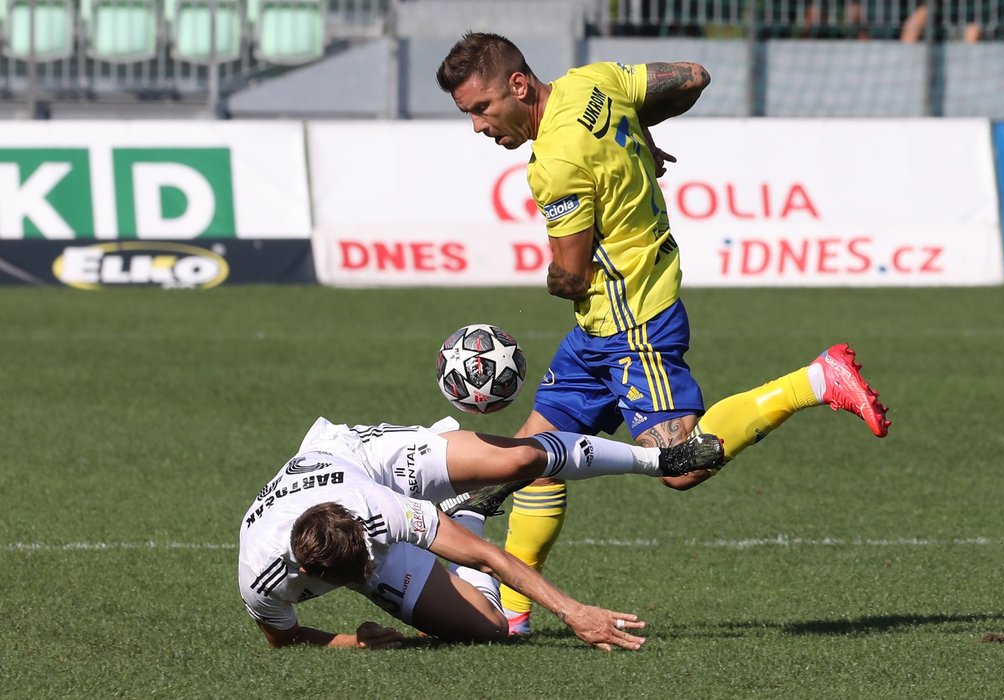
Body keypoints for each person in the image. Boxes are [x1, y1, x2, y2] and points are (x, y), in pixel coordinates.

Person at [436, 32, 890, 635]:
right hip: (598, 331)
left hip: (631, 326)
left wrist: (551, 277)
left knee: (678, 465)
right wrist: (643, 135)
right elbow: (693, 75)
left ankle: (816, 379)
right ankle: (513, 618)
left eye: (481, 108)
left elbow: (571, 276)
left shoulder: (557, 165)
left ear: (518, 86)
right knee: (533, 460)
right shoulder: (590, 81)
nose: (478, 126)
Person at [238, 415, 723, 651]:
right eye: (359, 571)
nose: (368, 565)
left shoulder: (372, 510)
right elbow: (287, 639)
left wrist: (574, 613)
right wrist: (354, 641)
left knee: (518, 460)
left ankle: (658, 459)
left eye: (368, 555)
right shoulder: (261, 578)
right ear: (306, 571)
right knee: (488, 629)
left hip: (365, 463)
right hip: (355, 518)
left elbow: (485, 559)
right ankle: (467, 509)